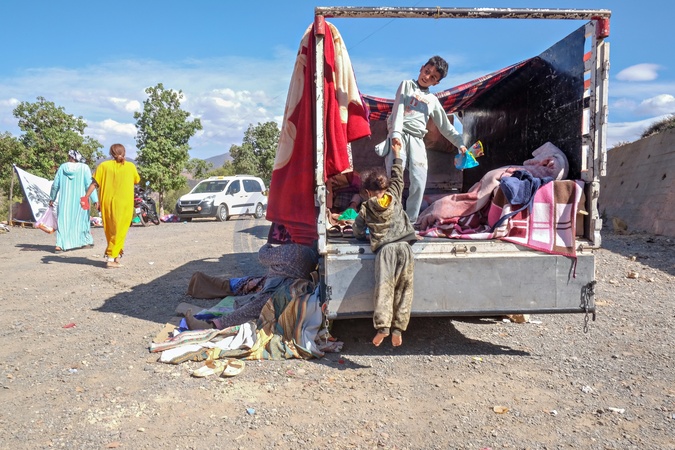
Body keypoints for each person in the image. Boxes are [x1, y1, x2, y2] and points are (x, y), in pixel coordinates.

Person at [385, 55, 468, 223]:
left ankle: (411, 221)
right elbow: (398, 110)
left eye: (433, 77)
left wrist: (460, 144)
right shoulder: (406, 85)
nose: (427, 77)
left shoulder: (432, 100)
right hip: (399, 135)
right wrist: (395, 134)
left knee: (419, 178)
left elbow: (445, 126)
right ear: (422, 68)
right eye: (427, 71)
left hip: (417, 139)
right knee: (394, 177)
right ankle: (392, 219)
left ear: (436, 83)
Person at [352, 141, 418, 347]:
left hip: (385, 251)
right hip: (405, 248)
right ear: (386, 187)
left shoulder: (365, 208)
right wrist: (397, 153)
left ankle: (383, 328)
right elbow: (398, 175)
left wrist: (364, 236)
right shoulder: (395, 194)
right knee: (405, 289)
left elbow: (357, 230)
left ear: (368, 192)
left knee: (384, 289)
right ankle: (399, 329)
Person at [83, 143, 140, 268]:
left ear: (111, 153)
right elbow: (137, 180)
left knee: (111, 230)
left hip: (107, 203)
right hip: (124, 203)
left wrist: (86, 197)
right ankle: (110, 258)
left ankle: (117, 255)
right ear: (124, 153)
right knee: (120, 231)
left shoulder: (103, 166)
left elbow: (94, 184)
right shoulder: (130, 166)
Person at [49, 150, 98, 252]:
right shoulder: (84, 168)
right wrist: (95, 200)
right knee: (83, 220)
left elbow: (55, 185)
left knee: (63, 221)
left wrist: (52, 198)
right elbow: (89, 185)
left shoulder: (62, 167)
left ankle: (60, 245)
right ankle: (85, 241)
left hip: (65, 201)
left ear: (70, 157)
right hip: (83, 199)